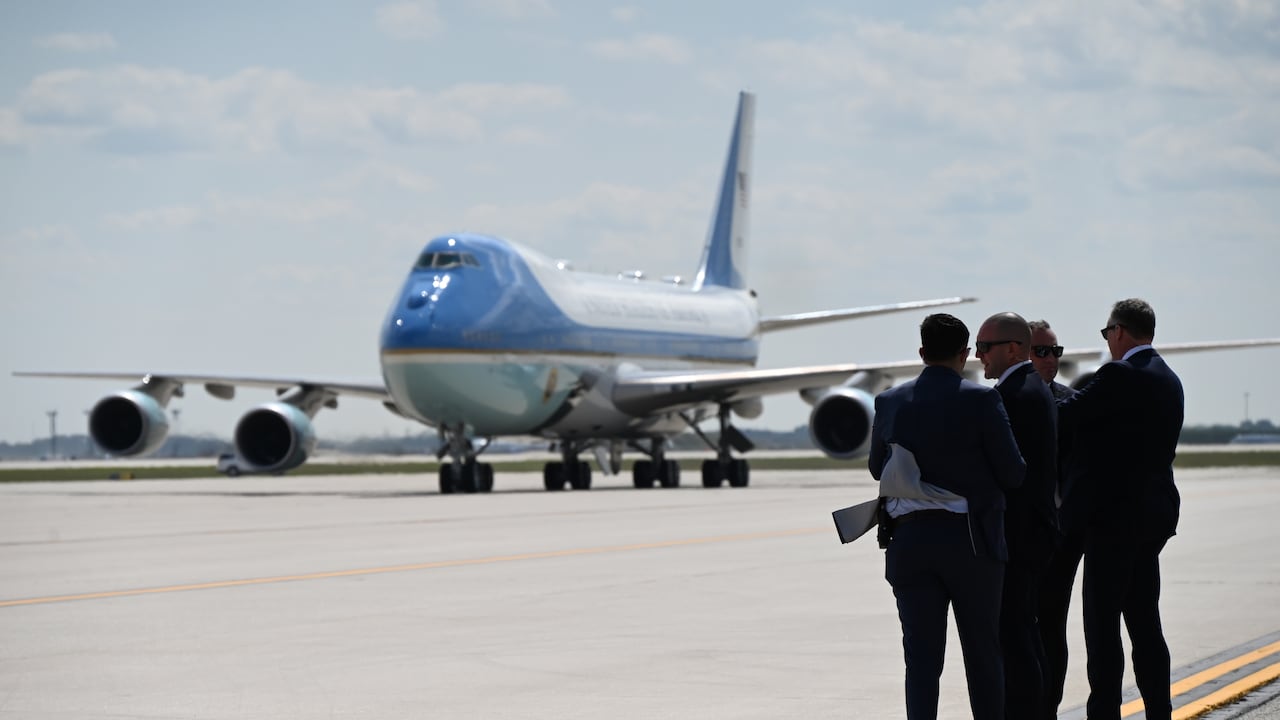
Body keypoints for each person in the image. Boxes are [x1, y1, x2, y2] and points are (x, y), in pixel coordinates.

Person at [869, 313, 1026, 720]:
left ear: (922, 352)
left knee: (921, 661)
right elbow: (1013, 473)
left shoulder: (889, 401)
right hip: (970, 543)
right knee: (983, 654)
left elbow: (875, 468)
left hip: (909, 543)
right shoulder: (982, 400)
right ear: (965, 354)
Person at [1058, 299, 1184, 720]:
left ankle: (1105, 712)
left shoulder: (1119, 374)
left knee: (1102, 626)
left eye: (1107, 333)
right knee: (1146, 623)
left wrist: (1035, 396)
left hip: (1113, 520)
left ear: (1119, 331)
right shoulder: (1169, 378)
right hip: (1154, 516)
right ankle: (1159, 711)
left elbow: (1068, 415)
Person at [974, 312, 1058, 720]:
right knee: (1025, 631)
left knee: (1014, 636)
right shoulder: (1031, 387)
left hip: (1018, 534)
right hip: (1032, 531)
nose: (978, 356)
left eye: (984, 347)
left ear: (1011, 349)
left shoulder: (1014, 396)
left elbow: (1006, 470)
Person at [1028, 319, 1085, 719]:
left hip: (1060, 537)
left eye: (1056, 351)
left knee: (1051, 625)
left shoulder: (1072, 403)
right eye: (1042, 351)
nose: (1052, 359)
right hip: (1013, 537)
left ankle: (1048, 708)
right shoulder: (996, 403)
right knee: (1014, 629)